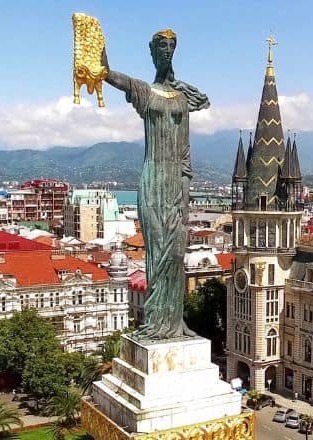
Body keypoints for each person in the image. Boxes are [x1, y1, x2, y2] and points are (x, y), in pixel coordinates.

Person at [102, 29, 210, 339]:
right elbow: (107, 74)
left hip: (177, 179)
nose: (166, 50)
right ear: (152, 51)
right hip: (153, 178)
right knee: (157, 252)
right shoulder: (145, 92)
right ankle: (155, 323)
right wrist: (96, 43)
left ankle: (174, 322)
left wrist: (186, 185)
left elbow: (186, 147)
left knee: (176, 253)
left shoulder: (181, 97)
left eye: (171, 46)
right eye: (161, 46)